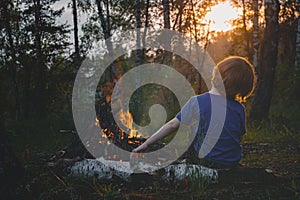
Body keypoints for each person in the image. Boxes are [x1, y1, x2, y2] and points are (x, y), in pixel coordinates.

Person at [132, 56, 256, 169]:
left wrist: (147, 143)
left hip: (204, 160)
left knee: (194, 130)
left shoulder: (197, 102)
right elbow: (238, 134)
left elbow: (172, 125)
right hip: (231, 161)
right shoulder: (239, 109)